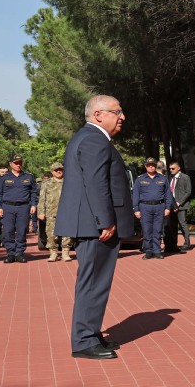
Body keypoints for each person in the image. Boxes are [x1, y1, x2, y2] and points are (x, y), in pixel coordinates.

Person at [56, 94, 136, 360]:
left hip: (92, 224)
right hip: (96, 225)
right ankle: (84, 340)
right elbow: (96, 183)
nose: (122, 117)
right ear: (99, 114)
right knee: (94, 282)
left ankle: (90, 332)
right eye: (118, 111)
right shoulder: (94, 139)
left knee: (93, 281)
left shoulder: (88, 137)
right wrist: (106, 220)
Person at [0, 154, 38, 263]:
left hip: (23, 207)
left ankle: (19, 253)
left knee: (22, 230)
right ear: (10, 164)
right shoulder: (4, 178)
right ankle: (10, 253)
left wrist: (33, 204)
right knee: (8, 230)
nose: (18, 165)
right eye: (16, 163)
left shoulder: (28, 177)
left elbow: (33, 192)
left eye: (20, 162)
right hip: (8, 207)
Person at [132, 157, 173, 259]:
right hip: (145, 207)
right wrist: (136, 209)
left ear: (155, 166)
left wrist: (168, 208)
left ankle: (157, 251)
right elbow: (135, 195)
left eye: (153, 165)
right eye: (149, 165)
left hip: (159, 206)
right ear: (145, 166)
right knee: (147, 230)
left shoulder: (163, 179)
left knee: (158, 230)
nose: (151, 167)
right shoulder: (140, 179)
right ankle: (148, 251)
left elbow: (168, 194)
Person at [38, 163, 73, 262]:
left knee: (67, 233)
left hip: (66, 212)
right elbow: (42, 199)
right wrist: (41, 212)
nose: (59, 171)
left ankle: (65, 252)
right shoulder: (46, 183)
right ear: (52, 171)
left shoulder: (68, 182)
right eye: (56, 170)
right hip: (51, 212)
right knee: (51, 234)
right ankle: (53, 253)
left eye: (60, 169)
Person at [167, 162, 192, 251]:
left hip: (181, 206)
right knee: (172, 226)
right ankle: (173, 244)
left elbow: (188, 192)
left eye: (173, 168)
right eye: (170, 169)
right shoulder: (169, 178)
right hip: (171, 206)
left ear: (179, 168)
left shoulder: (185, 177)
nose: (171, 170)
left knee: (182, 224)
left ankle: (187, 243)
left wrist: (179, 202)